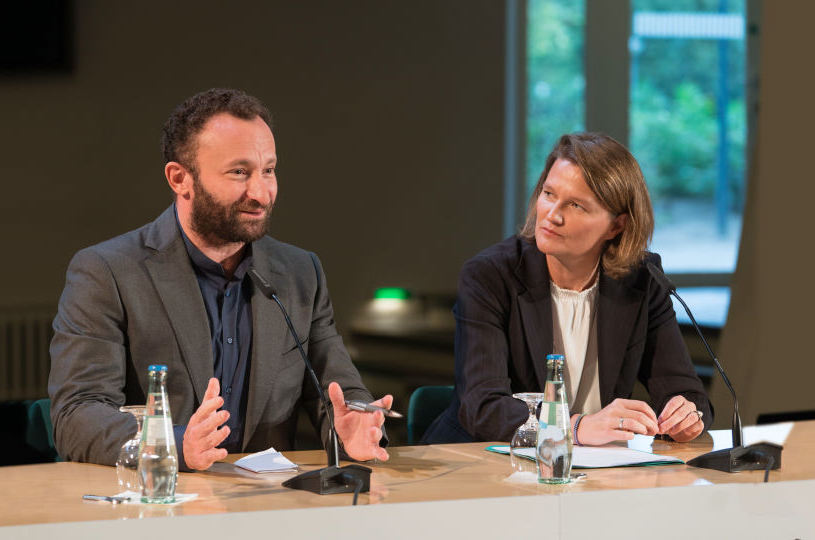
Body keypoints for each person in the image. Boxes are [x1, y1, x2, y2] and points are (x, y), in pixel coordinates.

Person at [49, 88, 390, 470]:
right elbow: (76, 415)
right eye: (239, 172)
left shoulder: (300, 272)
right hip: (158, 504)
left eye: (269, 170)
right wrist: (177, 445)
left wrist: (353, 426)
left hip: (270, 508)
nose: (261, 192)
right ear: (180, 179)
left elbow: (338, 393)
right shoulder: (107, 272)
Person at [424, 132, 712, 446]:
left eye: (576, 205)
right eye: (549, 193)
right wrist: (575, 428)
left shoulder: (643, 279)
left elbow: (686, 392)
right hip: (481, 464)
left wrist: (684, 416)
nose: (552, 214)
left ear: (617, 225)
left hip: (592, 470)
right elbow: (483, 408)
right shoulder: (491, 275)